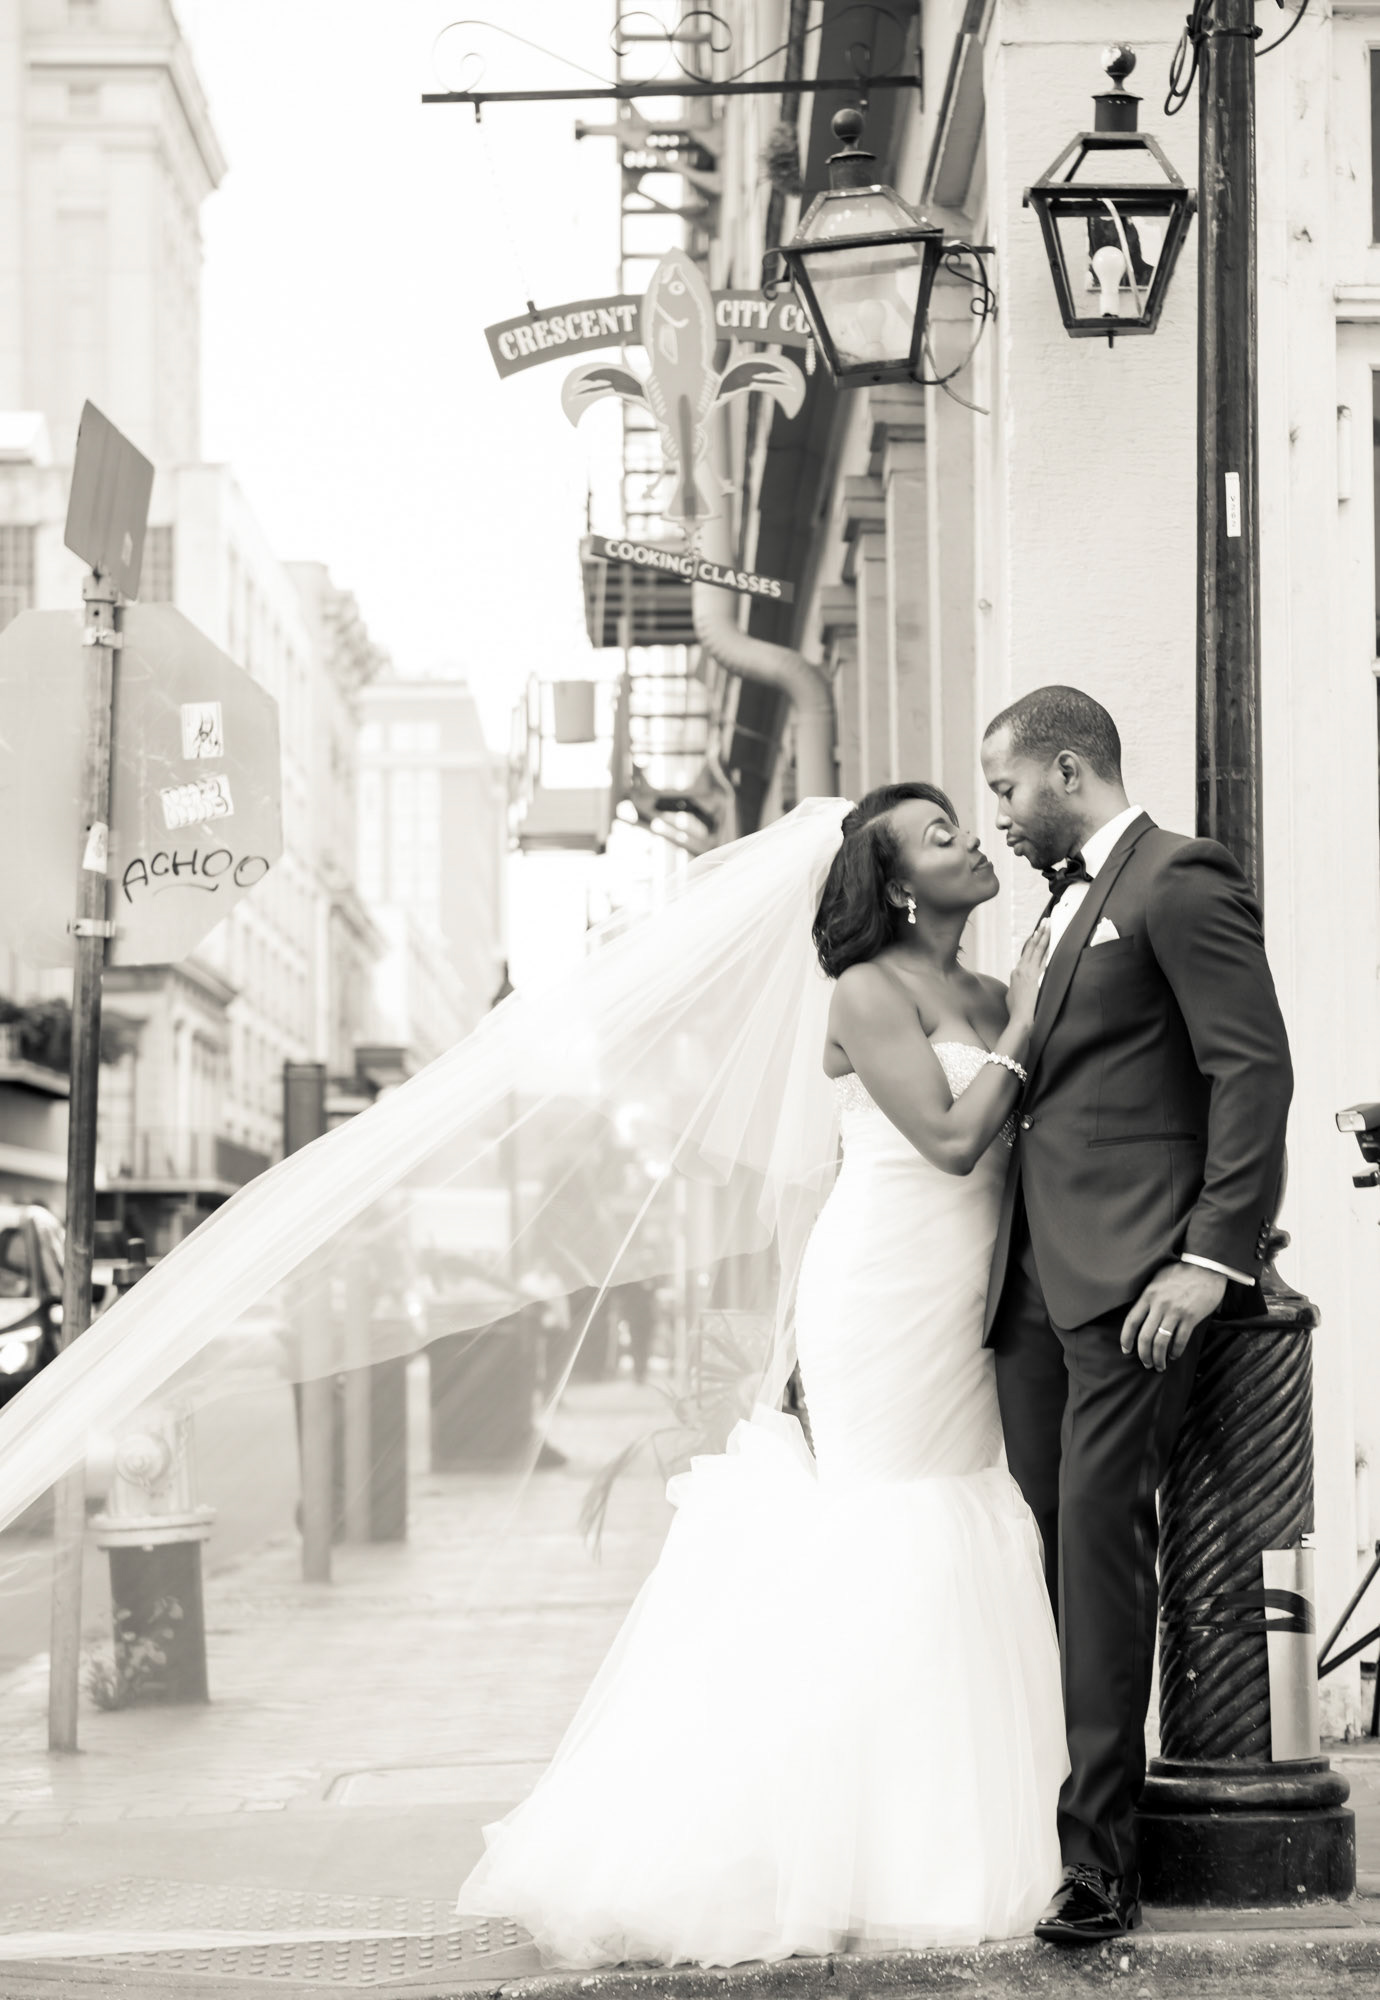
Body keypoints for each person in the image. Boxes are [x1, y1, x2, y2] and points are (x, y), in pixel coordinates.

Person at [456, 784, 1066, 1966]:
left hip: (969, 1297)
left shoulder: (992, 992)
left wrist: (1024, 1016)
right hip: (882, 1289)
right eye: (942, 835)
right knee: (890, 1524)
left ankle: (932, 1830)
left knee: (960, 1518)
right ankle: (822, 1842)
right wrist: (1029, 1029)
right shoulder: (867, 991)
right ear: (894, 884)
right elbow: (951, 1141)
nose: (973, 840)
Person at [979, 686, 1293, 1947]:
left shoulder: (1179, 878)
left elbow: (1251, 1068)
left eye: (1004, 787)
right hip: (1030, 1289)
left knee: (1102, 1555)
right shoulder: (1056, 912)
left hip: (1133, 1289)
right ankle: (1041, 1806)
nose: (997, 813)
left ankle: (1100, 1861)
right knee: (1042, 1554)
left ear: (1068, 767)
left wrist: (1212, 1258)